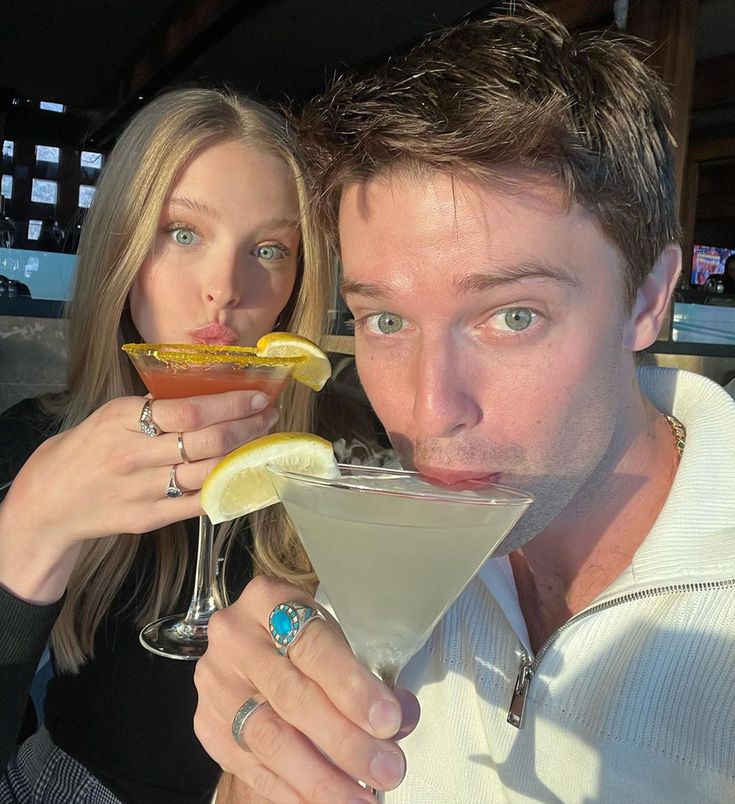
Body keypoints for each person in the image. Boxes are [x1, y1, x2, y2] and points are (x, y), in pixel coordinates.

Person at [192, 6, 735, 804]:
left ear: (648, 298)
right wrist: (257, 766)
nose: (428, 409)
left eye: (512, 316)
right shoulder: (392, 541)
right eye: (385, 320)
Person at [0, 87, 332, 804]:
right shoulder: (29, 443)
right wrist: (30, 528)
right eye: (183, 233)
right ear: (122, 246)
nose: (224, 289)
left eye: (268, 249)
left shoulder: (343, 460)